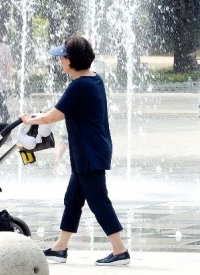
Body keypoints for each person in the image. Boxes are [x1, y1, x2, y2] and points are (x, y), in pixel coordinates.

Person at [19, 36, 129, 266]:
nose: (60, 62)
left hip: (89, 152)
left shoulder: (79, 85)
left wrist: (30, 120)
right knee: (72, 199)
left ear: (71, 61)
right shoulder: (94, 79)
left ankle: (120, 251)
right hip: (89, 150)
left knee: (99, 201)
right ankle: (60, 247)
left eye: (62, 58)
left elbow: (55, 115)